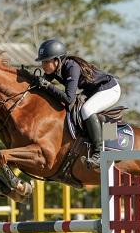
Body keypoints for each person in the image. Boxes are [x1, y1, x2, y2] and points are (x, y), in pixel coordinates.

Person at [34, 39, 121, 167]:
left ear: (58, 60)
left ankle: (99, 153)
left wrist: (47, 85)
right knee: (80, 109)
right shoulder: (56, 69)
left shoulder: (71, 66)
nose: (43, 65)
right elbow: (42, 83)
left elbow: (69, 98)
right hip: (94, 90)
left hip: (109, 89)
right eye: (42, 61)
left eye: (47, 61)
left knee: (86, 110)